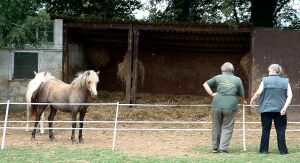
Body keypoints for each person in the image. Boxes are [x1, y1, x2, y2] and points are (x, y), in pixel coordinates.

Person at [250, 64, 292, 155]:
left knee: (265, 130)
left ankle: (263, 150)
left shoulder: (265, 80)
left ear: (272, 70)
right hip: (280, 109)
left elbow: (258, 92)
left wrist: (252, 100)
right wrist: (284, 107)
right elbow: (290, 95)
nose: (268, 71)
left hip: (266, 109)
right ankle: (283, 151)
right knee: (281, 130)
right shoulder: (285, 81)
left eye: (269, 70)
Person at [203, 62, 245, 154]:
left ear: (222, 70)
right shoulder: (237, 79)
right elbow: (241, 95)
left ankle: (215, 148)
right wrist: (243, 101)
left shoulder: (218, 77)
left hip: (217, 104)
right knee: (227, 127)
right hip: (230, 106)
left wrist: (212, 94)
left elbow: (205, 84)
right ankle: (223, 148)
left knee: (216, 126)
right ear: (232, 70)